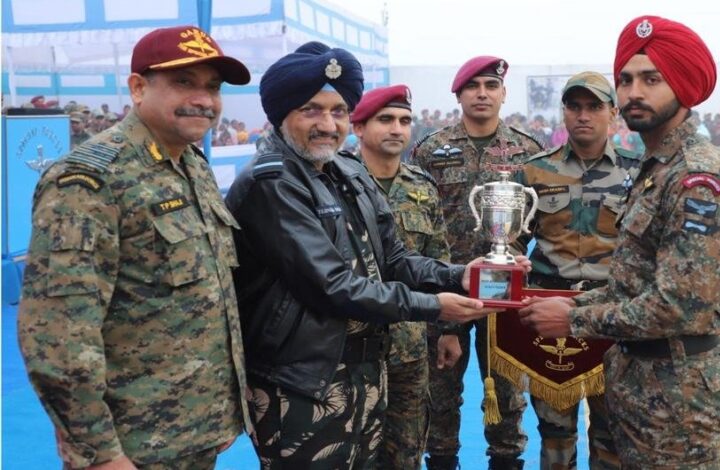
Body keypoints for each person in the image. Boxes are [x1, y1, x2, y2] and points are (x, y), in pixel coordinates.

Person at [225, 42, 509, 469]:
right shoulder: (273, 183)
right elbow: (332, 286)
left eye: (338, 111)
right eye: (311, 110)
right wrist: (433, 306)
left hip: (364, 373)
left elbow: (393, 259)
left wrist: (458, 275)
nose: (328, 124)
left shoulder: (348, 173)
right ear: (281, 114)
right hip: (303, 382)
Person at [519, 15, 720, 469]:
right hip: (642, 379)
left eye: (651, 79)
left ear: (685, 86)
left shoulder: (697, 178)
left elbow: (679, 305)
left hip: (677, 394)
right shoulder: (657, 169)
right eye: (625, 79)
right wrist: (575, 306)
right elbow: (632, 283)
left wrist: (574, 318)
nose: (633, 92)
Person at [18, 25, 253, 469]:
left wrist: (217, 409)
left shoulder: (191, 166)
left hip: (190, 432)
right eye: (184, 82)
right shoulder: (89, 181)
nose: (204, 98)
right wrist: (100, 455)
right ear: (138, 87)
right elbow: (58, 335)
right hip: (132, 447)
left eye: (212, 87)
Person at [411, 55, 543, 470]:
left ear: (503, 94)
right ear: (459, 95)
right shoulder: (432, 150)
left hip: (505, 292)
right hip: (445, 288)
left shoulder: (528, 150)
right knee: (440, 397)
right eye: (473, 86)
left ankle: (506, 461)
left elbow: (541, 218)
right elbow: (420, 219)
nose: (482, 93)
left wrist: (518, 257)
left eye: (490, 86)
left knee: (507, 397)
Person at [514, 72, 639, 470]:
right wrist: (511, 259)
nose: (583, 115)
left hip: (610, 315)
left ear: (613, 114)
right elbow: (512, 240)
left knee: (611, 431)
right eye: (574, 106)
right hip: (550, 314)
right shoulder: (533, 174)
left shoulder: (639, 174)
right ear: (564, 113)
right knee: (555, 432)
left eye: (594, 107)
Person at [350, 84, 452, 469]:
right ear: (358, 127)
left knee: (406, 450)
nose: (397, 128)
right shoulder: (333, 183)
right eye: (386, 119)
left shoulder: (422, 188)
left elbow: (436, 258)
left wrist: (448, 330)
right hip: (352, 347)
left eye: (405, 120)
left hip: (410, 345)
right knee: (355, 451)